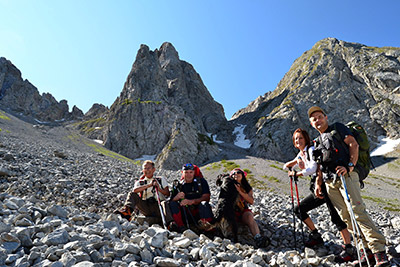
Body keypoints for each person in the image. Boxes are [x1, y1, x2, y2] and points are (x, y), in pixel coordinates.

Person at [308, 106, 389, 266]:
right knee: (346, 216)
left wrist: (350, 165)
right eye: (314, 119)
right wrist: (318, 184)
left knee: (357, 211)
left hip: (346, 176)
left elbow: (353, 144)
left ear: (326, 117)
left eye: (319, 116)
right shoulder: (316, 142)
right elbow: (319, 166)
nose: (317, 120)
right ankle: (365, 249)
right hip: (330, 182)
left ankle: (378, 249)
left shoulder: (338, 128)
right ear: (311, 124)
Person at [283, 128, 351, 251]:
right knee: (299, 209)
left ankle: (348, 246)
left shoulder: (311, 150)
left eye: (301, 138)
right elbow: (285, 165)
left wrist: (296, 174)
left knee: (335, 215)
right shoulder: (301, 154)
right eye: (296, 138)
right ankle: (315, 235)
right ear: (294, 142)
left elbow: (313, 169)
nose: (298, 140)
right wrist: (295, 162)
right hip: (317, 186)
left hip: (324, 184)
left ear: (306, 139)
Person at [114, 160, 172, 225]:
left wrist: (159, 188)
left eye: (149, 168)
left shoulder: (160, 179)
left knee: (164, 202)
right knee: (132, 194)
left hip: (159, 205)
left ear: (154, 169)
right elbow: (135, 191)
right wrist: (149, 185)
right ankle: (127, 211)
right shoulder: (140, 182)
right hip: (146, 206)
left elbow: (167, 193)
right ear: (142, 170)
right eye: (145, 168)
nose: (147, 170)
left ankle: (170, 223)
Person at [229, 168, 269, 248]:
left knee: (249, 216)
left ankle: (258, 237)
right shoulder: (228, 186)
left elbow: (251, 201)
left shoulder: (247, 188)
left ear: (243, 175)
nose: (236, 174)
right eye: (233, 173)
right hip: (231, 211)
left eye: (238, 172)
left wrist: (240, 191)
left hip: (243, 211)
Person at [169, 163, 213, 232]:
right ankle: (180, 226)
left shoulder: (201, 182)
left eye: (191, 172)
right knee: (173, 204)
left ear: (194, 172)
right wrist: (177, 197)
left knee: (204, 204)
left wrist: (192, 201)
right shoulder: (178, 185)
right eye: (186, 172)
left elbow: (206, 198)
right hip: (184, 213)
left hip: (198, 212)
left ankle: (208, 229)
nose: (188, 175)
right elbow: (171, 200)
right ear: (182, 173)